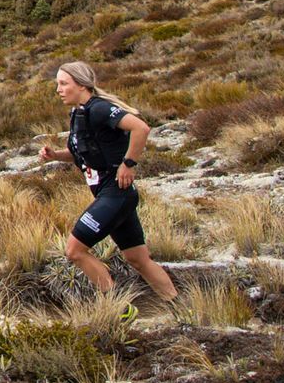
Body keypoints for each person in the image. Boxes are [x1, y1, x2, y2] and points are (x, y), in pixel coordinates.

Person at [37, 60, 178, 301]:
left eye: (63, 84)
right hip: (112, 196)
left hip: (116, 194)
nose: (58, 90)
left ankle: (118, 308)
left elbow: (141, 128)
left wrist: (128, 164)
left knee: (74, 251)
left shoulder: (99, 109)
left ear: (81, 85)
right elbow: (83, 154)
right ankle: (179, 306)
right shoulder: (78, 114)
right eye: (57, 84)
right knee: (138, 259)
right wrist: (56, 156)